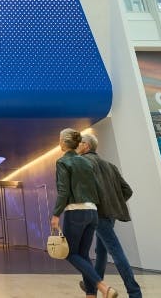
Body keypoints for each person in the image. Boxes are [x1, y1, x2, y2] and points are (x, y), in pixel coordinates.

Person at [50, 128, 118, 298]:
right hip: (92, 212)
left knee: (70, 253)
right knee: (83, 256)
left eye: (60, 139)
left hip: (76, 212)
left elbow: (63, 191)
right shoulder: (87, 162)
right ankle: (91, 294)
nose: (59, 142)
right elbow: (97, 188)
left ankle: (104, 287)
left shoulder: (62, 162)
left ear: (65, 142)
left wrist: (56, 214)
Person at [77, 133, 142, 298]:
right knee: (102, 250)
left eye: (80, 142)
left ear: (87, 146)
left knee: (115, 251)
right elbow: (127, 190)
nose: (77, 145)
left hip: (97, 214)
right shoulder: (110, 166)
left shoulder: (83, 162)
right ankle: (91, 286)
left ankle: (134, 292)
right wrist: (113, 204)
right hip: (110, 214)